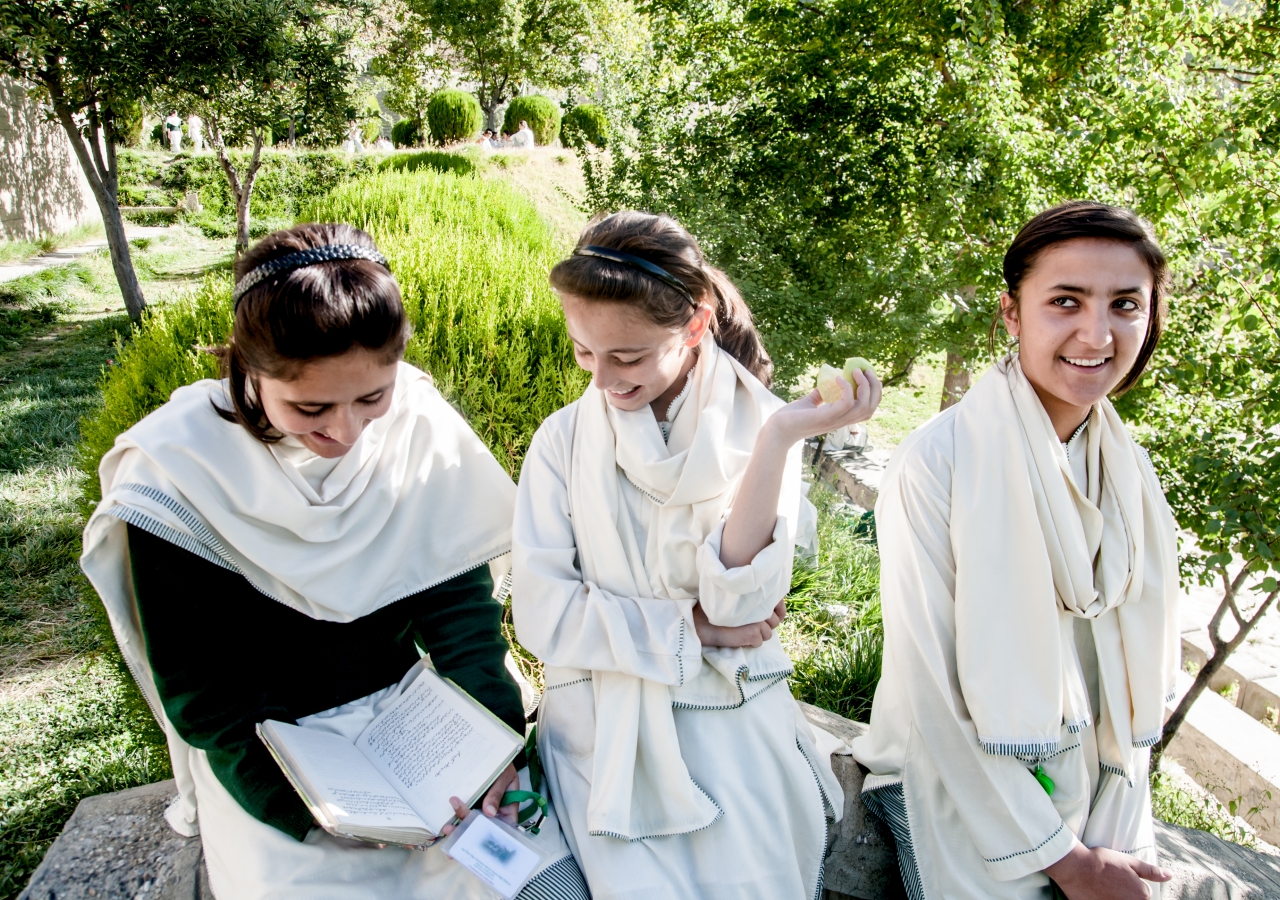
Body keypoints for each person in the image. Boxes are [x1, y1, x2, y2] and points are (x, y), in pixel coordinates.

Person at [81, 224, 589, 900]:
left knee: (542, 889)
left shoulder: (417, 425)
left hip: (420, 727)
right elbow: (201, 697)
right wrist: (308, 816)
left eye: (371, 398)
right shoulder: (176, 475)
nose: (346, 433)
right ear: (246, 366)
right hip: (274, 755)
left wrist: (493, 751)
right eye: (310, 406)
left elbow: (460, 619)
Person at [511, 211, 883, 899]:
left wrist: (778, 441)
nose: (603, 380)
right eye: (582, 352)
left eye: (627, 357)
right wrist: (692, 629)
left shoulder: (762, 427)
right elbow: (542, 612)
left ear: (694, 323)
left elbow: (739, 601)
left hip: (729, 715)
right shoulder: (561, 443)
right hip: (601, 723)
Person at [851, 201, 1180, 900]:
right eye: (1066, 301)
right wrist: (1069, 861)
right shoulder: (939, 464)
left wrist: (1111, 843)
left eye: (1126, 304)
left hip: (1098, 790)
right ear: (1011, 313)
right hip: (953, 785)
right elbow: (932, 696)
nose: (1097, 332)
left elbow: (1126, 691)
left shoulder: (1128, 473)